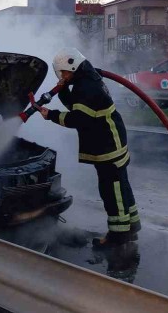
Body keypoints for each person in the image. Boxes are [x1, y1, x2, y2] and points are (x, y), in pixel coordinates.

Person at [38, 48, 140, 247]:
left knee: (112, 190)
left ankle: (118, 235)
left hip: (108, 143)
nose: (63, 76)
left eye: (64, 73)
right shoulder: (86, 80)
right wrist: (64, 89)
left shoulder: (86, 87)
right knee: (121, 185)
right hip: (110, 138)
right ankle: (132, 226)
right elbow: (76, 105)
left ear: (73, 66)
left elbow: (78, 119)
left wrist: (50, 115)